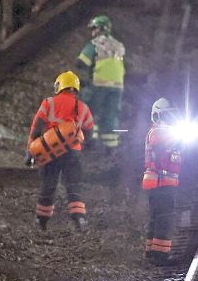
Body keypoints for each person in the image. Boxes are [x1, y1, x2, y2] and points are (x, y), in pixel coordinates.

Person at [27, 71, 95, 230]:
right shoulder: (83, 107)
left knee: (48, 185)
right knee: (73, 184)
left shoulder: (48, 103)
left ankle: (41, 221)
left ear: (59, 85)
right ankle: (79, 219)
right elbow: (89, 131)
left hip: (50, 152)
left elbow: (36, 128)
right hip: (72, 153)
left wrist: (30, 151)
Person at [76, 14, 125, 153]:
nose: (93, 32)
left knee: (89, 111)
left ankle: (89, 140)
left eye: (94, 29)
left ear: (100, 29)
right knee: (110, 113)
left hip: (100, 83)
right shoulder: (118, 45)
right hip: (117, 86)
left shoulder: (96, 43)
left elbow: (82, 62)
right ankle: (111, 146)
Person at [142, 98, 182, 265]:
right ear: (157, 115)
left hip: (159, 181)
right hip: (161, 181)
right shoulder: (158, 131)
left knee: (157, 216)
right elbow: (162, 145)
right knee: (165, 217)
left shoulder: (162, 131)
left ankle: (152, 251)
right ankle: (160, 255)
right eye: (167, 115)